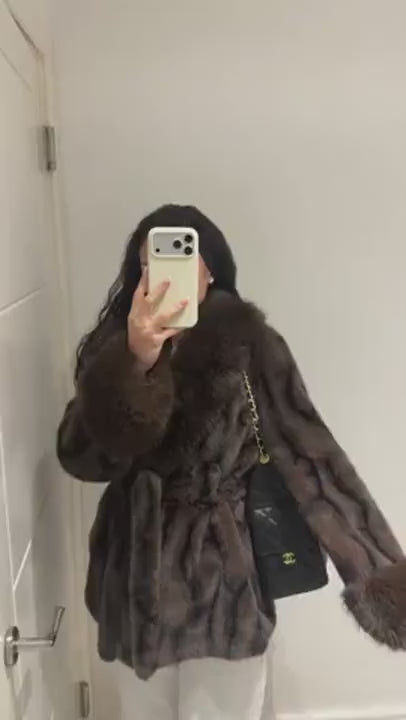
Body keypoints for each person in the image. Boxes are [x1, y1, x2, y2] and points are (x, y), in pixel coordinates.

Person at [57, 204, 406, 720]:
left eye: (184, 259)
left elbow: (312, 456)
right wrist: (134, 362)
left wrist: (379, 573)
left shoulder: (250, 345)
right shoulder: (112, 351)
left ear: (210, 269)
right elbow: (82, 459)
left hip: (221, 584)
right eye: (151, 264)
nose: (166, 275)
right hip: (131, 582)